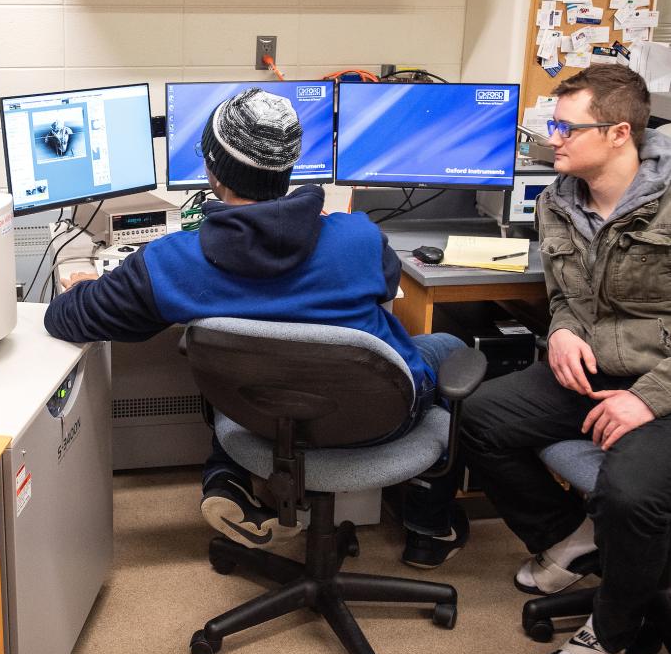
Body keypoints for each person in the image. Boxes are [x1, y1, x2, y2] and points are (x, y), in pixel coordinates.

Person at [44, 86, 466, 566]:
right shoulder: (357, 237)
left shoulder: (172, 262)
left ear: (211, 169)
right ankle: (429, 531)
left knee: (240, 357)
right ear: (287, 168)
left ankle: (228, 478)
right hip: (379, 419)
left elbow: (66, 319)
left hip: (258, 420)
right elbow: (387, 284)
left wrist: (82, 285)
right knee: (448, 346)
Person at [459, 64, 671, 654]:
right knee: (478, 418)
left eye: (564, 127)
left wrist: (648, 400)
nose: (551, 138)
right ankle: (571, 535)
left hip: (662, 382)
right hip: (594, 367)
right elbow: (566, 295)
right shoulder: (558, 201)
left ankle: (619, 634)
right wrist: (562, 332)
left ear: (619, 134)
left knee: (629, 494)